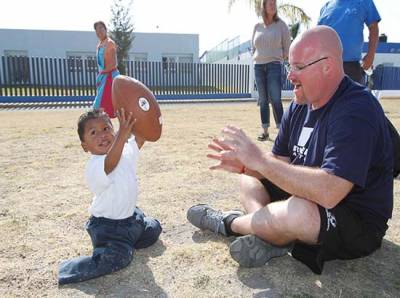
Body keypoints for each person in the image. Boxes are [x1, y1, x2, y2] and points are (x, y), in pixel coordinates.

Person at [187, 26, 393, 274]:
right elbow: (277, 162)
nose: (289, 76)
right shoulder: (301, 102)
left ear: (327, 65)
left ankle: (229, 223)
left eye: (298, 67)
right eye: (289, 66)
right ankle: (270, 233)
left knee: (297, 210)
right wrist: (247, 165)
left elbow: (330, 191)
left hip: (354, 218)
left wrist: (261, 162)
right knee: (249, 179)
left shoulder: (356, 109)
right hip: (306, 195)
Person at [58, 108, 162, 284]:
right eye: (93, 133)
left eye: (106, 128)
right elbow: (111, 163)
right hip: (108, 228)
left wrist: (144, 116)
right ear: (85, 146)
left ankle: (128, 241)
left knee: (154, 228)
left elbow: (139, 140)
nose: (102, 135)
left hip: (131, 219)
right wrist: (122, 134)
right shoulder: (96, 165)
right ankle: (65, 270)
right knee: (118, 259)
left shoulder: (124, 151)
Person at [251, 0, 291, 141]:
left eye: (274, 3)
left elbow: (287, 48)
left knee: (275, 98)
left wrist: (277, 57)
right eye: (270, 3)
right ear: (264, 6)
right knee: (262, 100)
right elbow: (253, 47)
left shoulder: (281, 25)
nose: (273, 5)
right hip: (259, 66)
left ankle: (282, 132)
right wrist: (258, 57)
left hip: (274, 65)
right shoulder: (257, 26)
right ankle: (265, 131)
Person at [318, 0, 380, 84]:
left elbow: (373, 28)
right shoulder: (326, 6)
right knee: (325, 97)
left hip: (351, 67)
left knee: (354, 97)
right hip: (326, 66)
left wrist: (371, 55)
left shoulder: (364, 2)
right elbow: (318, 35)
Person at [93, 21, 120, 118]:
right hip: (103, 77)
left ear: (106, 29)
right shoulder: (99, 45)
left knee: (98, 107)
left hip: (110, 77)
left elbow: (114, 64)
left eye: (101, 28)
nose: (99, 31)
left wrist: (102, 73)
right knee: (101, 109)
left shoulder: (110, 43)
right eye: (96, 29)